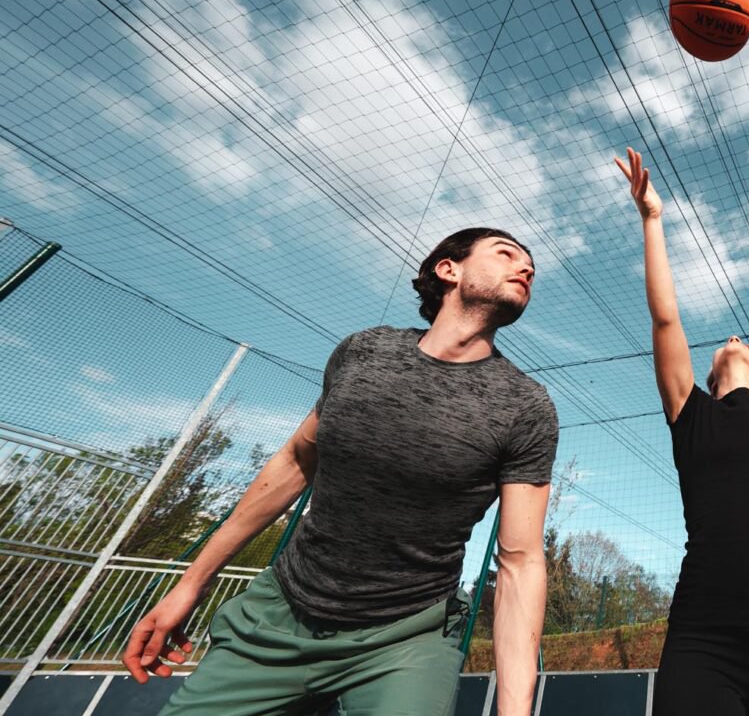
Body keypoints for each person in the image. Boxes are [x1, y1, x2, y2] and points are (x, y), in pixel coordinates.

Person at [124, 229, 558, 716]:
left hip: (406, 637)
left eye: (531, 268)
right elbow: (295, 461)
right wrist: (192, 583)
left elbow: (520, 562)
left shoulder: (525, 406)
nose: (525, 269)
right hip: (283, 611)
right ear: (448, 269)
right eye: (506, 254)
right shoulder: (363, 352)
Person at [615, 147, 749, 716]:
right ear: (707, 377)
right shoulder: (691, 414)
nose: (734, 337)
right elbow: (666, 318)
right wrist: (651, 219)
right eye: (724, 344)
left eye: (746, 342)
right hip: (703, 631)